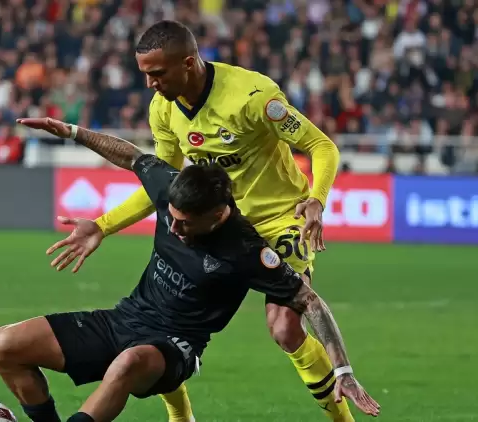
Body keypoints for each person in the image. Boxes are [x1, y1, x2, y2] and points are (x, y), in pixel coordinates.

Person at [44, 20, 351, 422]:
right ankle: (180, 415)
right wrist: (102, 225)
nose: (150, 84)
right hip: (212, 225)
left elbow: (321, 146)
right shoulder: (163, 109)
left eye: (157, 73)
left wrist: (317, 199)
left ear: (188, 63)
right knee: (166, 314)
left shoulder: (253, 97)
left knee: (285, 328)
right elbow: (166, 186)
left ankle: (343, 419)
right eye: (145, 74)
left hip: (279, 220)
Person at [0, 117, 380, 422]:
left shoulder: (246, 250)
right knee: (3, 344)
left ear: (218, 214)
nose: (172, 228)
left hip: (175, 347)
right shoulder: (172, 188)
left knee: (127, 364)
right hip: (125, 319)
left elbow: (309, 301)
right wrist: (72, 132)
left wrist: (343, 369)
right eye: (170, 217)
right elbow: (131, 156)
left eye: (184, 223)